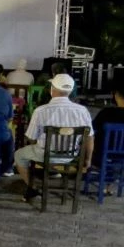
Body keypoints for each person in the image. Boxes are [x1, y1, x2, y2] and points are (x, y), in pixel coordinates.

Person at [15, 74, 93, 203]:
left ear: (52, 89)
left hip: (44, 154)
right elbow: (90, 137)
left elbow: (31, 137)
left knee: (19, 155)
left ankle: (32, 187)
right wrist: (88, 159)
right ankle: (55, 175)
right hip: (71, 156)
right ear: (70, 91)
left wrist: (36, 143)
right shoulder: (83, 111)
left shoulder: (40, 111)